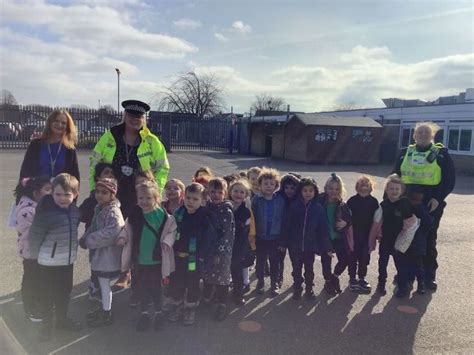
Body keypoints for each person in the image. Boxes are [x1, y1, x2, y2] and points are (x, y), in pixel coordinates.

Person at [393, 121, 455, 291]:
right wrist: (392, 201)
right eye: (419, 132)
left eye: (426, 132)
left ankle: (428, 276)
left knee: (428, 240)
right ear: (414, 136)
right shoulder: (405, 153)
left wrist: (438, 198)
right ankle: (404, 277)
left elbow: (449, 180)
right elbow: (395, 177)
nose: (422, 135)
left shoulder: (441, 154)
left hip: (430, 203)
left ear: (432, 136)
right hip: (406, 202)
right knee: (405, 238)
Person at [89, 100, 169, 218]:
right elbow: (94, 164)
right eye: (131, 115)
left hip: (139, 197)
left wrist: (154, 192)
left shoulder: (153, 141)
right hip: (111, 195)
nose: (135, 119)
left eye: (139, 116)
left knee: (134, 232)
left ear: (143, 119)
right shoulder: (109, 136)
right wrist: (94, 189)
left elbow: (163, 168)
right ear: (125, 116)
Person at [27, 173, 81, 342]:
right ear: (52, 193)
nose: (62, 198)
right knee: (47, 296)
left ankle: (62, 320)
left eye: (67, 195)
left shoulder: (74, 212)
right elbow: (34, 236)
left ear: (75, 195)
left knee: (64, 293)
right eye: (58, 194)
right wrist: (35, 259)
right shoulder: (46, 213)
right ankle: (46, 327)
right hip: (48, 263)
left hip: (67, 262)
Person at [119, 181, 177, 332]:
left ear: (156, 198)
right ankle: (144, 314)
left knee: (155, 288)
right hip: (139, 259)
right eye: (141, 198)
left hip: (156, 260)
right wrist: (122, 237)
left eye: (148, 198)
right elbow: (126, 228)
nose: (144, 201)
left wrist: (167, 242)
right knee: (141, 288)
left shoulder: (162, 215)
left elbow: (172, 231)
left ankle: (159, 312)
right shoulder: (135, 213)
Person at [79, 178, 125, 327]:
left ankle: (107, 313)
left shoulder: (113, 212)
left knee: (105, 286)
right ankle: (105, 308)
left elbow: (111, 233)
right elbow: (93, 226)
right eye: (98, 192)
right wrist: (85, 237)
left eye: (104, 192)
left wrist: (89, 240)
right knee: (102, 284)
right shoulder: (100, 208)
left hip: (108, 256)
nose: (99, 195)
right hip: (100, 254)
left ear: (112, 194)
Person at [280, 178, 332, 300]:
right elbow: (286, 226)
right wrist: (283, 243)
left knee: (309, 269)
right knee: (296, 269)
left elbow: (323, 229)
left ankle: (309, 289)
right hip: (295, 246)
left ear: (315, 192)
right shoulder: (294, 206)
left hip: (310, 246)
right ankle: (297, 288)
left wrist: (327, 246)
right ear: (300, 192)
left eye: (311, 190)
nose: (308, 193)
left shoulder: (318, 208)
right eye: (305, 190)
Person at [168, 183, 212, 325]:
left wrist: (203, 256)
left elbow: (208, 239)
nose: (190, 202)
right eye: (188, 198)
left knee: (193, 284)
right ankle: (177, 305)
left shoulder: (204, 217)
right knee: (177, 283)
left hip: (194, 258)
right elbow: (171, 232)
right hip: (177, 257)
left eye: (195, 199)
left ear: (203, 201)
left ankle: (190, 307)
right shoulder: (179, 214)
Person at [14, 176, 52, 322]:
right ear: (36, 193)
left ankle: (38, 304)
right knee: (32, 280)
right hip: (32, 253)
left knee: (38, 279)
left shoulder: (36, 205)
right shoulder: (29, 211)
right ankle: (31, 310)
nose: (51, 192)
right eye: (47, 189)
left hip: (37, 252)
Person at [369, 174, 415, 296]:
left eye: (397, 189)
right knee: (382, 263)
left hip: (399, 240)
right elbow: (378, 222)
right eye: (391, 189)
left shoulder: (405, 203)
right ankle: (381, 283)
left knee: (400, 264)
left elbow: (410, 222)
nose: (394, 191)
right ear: (386, 190)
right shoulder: (384, 205)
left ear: (401, 191)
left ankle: (402, 286)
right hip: (385, 239)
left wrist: (405, 236)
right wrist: (378, 234)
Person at [202, 178, 235, 321]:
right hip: (207, 250)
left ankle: (222, 303)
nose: (215, 195)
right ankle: (207, 296)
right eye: (213, 192)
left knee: (222, 277)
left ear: (225, 193)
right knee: (208, 273)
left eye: (219, 192)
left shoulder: (226, 211)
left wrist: (219, 253)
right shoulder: (207, 209)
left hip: (222, 251)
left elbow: (227, 235)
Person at [394, 185, 433, 298]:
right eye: (413, 200)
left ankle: (420, 284)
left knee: (417, 267)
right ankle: (403, 287)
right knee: (404, 267)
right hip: (408, 243)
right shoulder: (404, 206)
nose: (415, 202)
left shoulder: (421, 209)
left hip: (416, 243)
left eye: (418, 200)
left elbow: (429, 223)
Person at [251, 168, 285, 297]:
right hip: (260, 237)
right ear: (260, 185)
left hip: (275, 237)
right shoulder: (256, 200)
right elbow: (252, 218)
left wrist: (283, 239)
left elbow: (284, 218)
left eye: (271, 184)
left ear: (276, 185)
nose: (268, 186)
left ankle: (274, 284)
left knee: (274, 262)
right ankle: (260, 282)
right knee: (260, 262)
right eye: (265, 183)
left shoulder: (280, 200)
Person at [19, 109, 79, 181]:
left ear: (67, 127)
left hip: (60, 191)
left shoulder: (70, 149)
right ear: (50, 122)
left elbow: (75, 177)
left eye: (63, 123)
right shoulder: (35, 145)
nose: (59, 125)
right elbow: (25, 172)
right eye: (56, 121)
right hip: (37, 190)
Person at [318, 173, 353, 295]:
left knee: (345, 259)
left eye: (337, 189)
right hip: (324, 237)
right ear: (326, 188)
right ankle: (328, 281)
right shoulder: (320, 202)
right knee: (326, 261)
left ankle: (335, 276)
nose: (334, 191)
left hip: (338, 237)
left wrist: (346, 223)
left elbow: (349, 219)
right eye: (331, 188)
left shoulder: (342, 204)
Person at [346, 175, 379, 293]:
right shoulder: (351, 201)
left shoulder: (374, 202)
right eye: (361, 184)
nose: (364, 187)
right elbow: (346, 216)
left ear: (371, 187)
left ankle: (362, 278)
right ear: (357, 187)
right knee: (352, 257)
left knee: (365, 257)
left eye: (367, 185)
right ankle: (352, 278)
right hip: (354, 235)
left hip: (367, 235)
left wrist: (378, 234)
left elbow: (378, 219)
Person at [275, 173, 301, 288]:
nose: (289, 191)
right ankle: (278, 277)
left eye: (292, 188)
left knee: (296, 260)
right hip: (281, 235)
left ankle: (297, 278)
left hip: (295, 237)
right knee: (279, 259)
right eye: (286, 187)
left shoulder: (299, 201)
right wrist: (282, 241)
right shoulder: (279, 199)